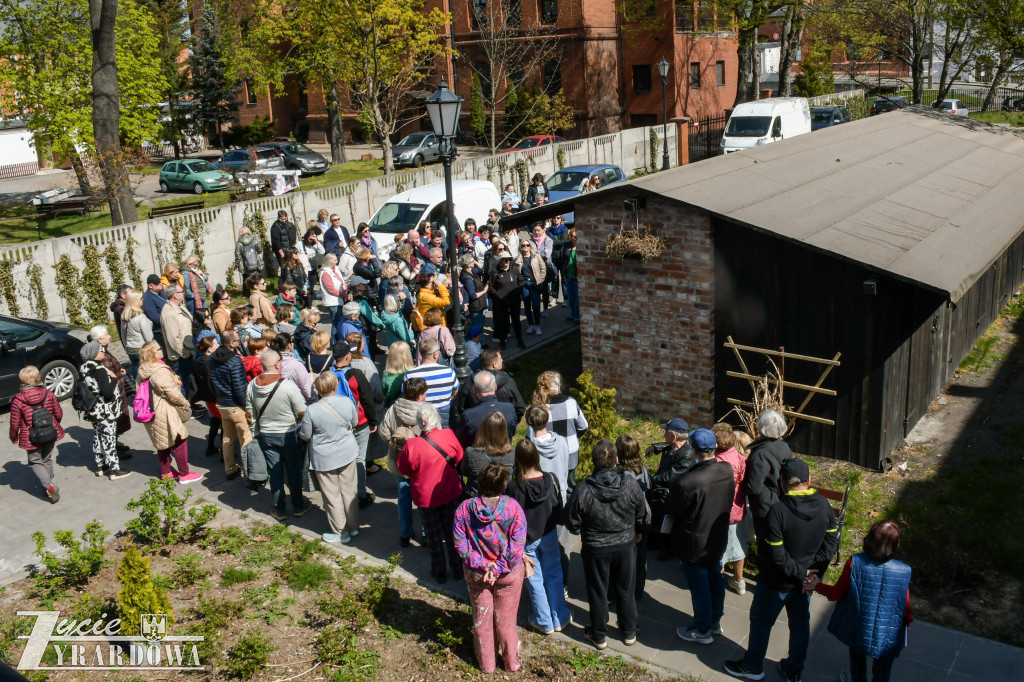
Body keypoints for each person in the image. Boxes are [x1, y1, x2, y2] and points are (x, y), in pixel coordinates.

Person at [724, 458, 839, 682]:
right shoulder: (825, 506)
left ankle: (753, 666)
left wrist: (800, 573)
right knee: (800, 625)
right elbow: (831, 543)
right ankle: (793, 670)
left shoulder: (777, 511)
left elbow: (776, 554)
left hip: (776, 582)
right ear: (809, 480)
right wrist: (813, 574)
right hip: (804, 585)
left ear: (782, 481)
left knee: (761, 622)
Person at [565, 439, 648, 650]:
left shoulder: (583, 490)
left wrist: (580, 530)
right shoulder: (630, 484)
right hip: (625, 545)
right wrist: (638, 531)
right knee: (626, 589)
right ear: (616, 460)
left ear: (593, 461)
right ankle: (629, 631)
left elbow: (572, 521)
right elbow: (642, 513)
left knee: (598, 591)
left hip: (596, 548)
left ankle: (599, 634)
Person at [806, 519, 912, 682]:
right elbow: (904, 605)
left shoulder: (855, 562)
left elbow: (837, 593)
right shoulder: (904, 571)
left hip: (858, 626)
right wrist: (906, 624)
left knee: (857, 661)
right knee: (883, 670)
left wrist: (817, 585)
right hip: (889, 632)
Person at [660, 428, 734, 644]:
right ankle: (715, 622)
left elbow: (673, 510)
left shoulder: (687, 482)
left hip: (694, 543)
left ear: (693, 449)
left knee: (700, 587)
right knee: (716, 579)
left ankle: (702, 631)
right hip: (717, 537)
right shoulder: (726, 470)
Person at [454, 462, 527, 674]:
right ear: (503, 484)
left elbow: (461, 545)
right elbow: (517, 546)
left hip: (477, 574)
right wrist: (498, 568)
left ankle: (487, 665)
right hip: (508, 573)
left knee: (482, 619)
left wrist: (484, 565)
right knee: (506, 621)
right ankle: (512, 663)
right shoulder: (513, 508)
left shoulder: (464, 509)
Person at [506, 439, 571, 635]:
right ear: (537, 456)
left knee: (533, 577)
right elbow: (558, 508)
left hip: (526, 539)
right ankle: (559, 616)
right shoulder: (550, 479)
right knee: (554, 573)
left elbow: (510, 515)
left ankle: (543, 620)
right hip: (549, 534)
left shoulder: (513, 486)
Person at [398, 405, 465, 583]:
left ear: (419, 423)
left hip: (426, 498)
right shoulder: (449, 435)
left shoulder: (411, 445)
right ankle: (458, 570)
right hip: (450, 491)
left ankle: (439, 571)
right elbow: (459, 457)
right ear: (436, 418)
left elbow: (404, 469)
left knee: (434, 536)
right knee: (453, 533)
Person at [247, 350, 310, 520]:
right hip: (288, 434)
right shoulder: (287, 386)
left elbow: (250, 413)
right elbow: (302, 411)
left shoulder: (252, 385)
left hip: (266, 434)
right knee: (293, 471)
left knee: (274, 473)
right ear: (276, 365)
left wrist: (255, 432)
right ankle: (298, 505)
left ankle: (279, 508)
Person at [299, 371, 361, 543]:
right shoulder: (347, 402)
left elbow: (305, 435)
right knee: (350, 490)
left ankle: (341, 531)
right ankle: (354, 526)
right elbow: (354, 422)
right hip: (347, 452)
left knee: (332, 495)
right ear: (335, 385)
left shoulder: (312, 410)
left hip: (324, 458)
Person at [136, 341, 202, 484]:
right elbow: (170, 391)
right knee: (179, 439)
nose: (162, 350)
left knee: (162, 442)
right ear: (153, 354)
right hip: (164, 410)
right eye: (159, 348)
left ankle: (167, 472)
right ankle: (184, 474)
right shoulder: (159, 370)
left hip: (150, 409)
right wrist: (183, 401)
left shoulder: (143, 368)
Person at [378, 378, 429, 547]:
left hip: (400, 461)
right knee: (423, 499)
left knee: (404, 497)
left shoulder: (393, 409)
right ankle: (425, 533)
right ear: (421, 394)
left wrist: (397, 444)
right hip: (422, 462)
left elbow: (383, 432)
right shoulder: (427, 411)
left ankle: (405, 534)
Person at [330, 341, 378, 508]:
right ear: (348, 356)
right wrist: (373, 421)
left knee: (341, 459)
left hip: (335, 423)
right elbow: (367, 400)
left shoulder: (327, 374)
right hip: (359, 422)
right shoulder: (356, 374)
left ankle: (342, 493)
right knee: (359, 459)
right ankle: (361, 495)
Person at [9, 365, 65, 502]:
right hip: (50, 432)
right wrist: (54, 424)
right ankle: (48, 487)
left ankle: (49, 486)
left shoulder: (18, 400)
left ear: (23, 380)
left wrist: (13, 436)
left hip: (31, 436)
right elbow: (58, 413)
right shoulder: (48, 393)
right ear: (38, 377)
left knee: (35, 461)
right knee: (47, 458)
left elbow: (14, 422)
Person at [79, 341, 131, 480]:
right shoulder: (99, 370)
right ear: (94, 354)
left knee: (97, 436)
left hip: (94, 410)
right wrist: (113, 379)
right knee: (109, 439)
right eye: (101, 351)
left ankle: (100, 466)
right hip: (106, 410)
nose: (103, 353)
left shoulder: (84, 367)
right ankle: (114, 469)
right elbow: (107, 392)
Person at [530, 371, 588, 490]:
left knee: (549, 488)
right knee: (570, 487)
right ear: (560, 386)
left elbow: (530, 437)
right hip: (569, 451)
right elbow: (583, 426)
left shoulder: (539, 407)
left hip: (544, 454)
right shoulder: (571, 402)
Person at [646, 417, 696, 557]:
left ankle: (666, 548)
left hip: (673, 495)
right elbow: (669, 445)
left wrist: (650, 480)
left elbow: (670, 478)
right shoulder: (678, 444)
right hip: (664, 492)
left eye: (666, 432)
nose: (664, 434)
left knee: (667, 521)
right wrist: (655, 447)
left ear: (673, 435)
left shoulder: (686, 455)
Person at [743, 409, 793, 541]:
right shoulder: (784, 446)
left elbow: (754, 487)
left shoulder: (761, 453)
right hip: (782, 502)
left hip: (764, 507)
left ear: (761, 427)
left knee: (765, 544)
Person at [713, 423, 750, 595]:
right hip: (738, 507)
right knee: (738, 544)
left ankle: (717, 581)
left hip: (718, 511)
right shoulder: (740, 458)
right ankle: (739, 580)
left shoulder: (715, 460)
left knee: (719, 550)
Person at [209, 329, 248, 479]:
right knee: (245, 439)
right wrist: (245, 405)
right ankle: (249, 471)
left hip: (222, 404)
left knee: (227, 438)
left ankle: (230, 469)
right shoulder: (234, 361)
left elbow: (211, 381)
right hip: (236, 406)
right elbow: (239, 388)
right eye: (238, 341)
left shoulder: (212, 359)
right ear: (232, 344)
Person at [616, 434, 651, 601]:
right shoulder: (642, 469)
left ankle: (623, 590)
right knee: (640, 557)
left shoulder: (621, 474)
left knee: (624, 558)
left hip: (628, 519)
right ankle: (638, 591)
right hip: (645, 517)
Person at [91, 324, 133, 455]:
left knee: (118, 421)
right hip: (112, 394)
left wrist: (118, 370)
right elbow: (105, 376)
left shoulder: (104, 350)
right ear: (99, 339)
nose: (110, 336)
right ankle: (112, 451)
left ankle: (114, 443)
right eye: (106, 335)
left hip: (117, 390)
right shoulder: (100, 355)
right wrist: (116, 376)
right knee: (114, 421)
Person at [453, 349, 526, 424]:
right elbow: (520, 407)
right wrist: (510, 424)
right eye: (500, 358)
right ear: (495, 364)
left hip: (479, 427)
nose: (502, 360)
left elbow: (462, 407)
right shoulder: (508, 382)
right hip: (503, 428)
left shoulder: (470, 382)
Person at [403, 337, 459, 428]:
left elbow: (406, 395)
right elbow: (455, 392)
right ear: (435, 355)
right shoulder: (449, 371)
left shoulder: (409, 374)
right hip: (445, 415)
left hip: (420, 416)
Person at [454, 371, 517, 447]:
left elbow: (461, 440)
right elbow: (512, 431)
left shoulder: (469, 416)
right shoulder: (510, 409)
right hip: (506, 453)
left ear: (475, 390)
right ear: (495, 387)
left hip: (478, 455)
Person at [461, 411, 515, 498]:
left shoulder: (470, 452)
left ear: (482, 429)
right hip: (503, 498)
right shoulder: (512, 452)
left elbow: (465, 472)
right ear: (504, 430)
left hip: (475, 497)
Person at [160, 283, 195, 395]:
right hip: (181, 357)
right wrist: (184, 353)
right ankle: (185, 410)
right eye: (181, 292)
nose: (184, 293)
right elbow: (173, 338)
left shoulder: (179, 307)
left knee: (189, 382)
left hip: (188, 352)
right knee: (183, 384)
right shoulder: (169, 313)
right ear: (175, 295)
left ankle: (191, 405)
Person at [193, 336, 222, 458]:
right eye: (216, 344)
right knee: (224, 425)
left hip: (208, 397)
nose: (219, 345)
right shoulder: (211, 363)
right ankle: (225, 454)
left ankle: (210, 446)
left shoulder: (197, 361)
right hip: (216, 398)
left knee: (215, 422)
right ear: (209, 349)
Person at [489, 253, 524, 349]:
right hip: (502, 301)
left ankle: (519, 340)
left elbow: (521, 282)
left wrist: (518, 292)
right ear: (500, 261)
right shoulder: (495, 271)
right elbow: (491, 287)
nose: (507, 261)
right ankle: (502, 341)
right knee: (503, 321)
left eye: (509, 259)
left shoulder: (514, 270)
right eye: (505, 259)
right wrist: (498, 295)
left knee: (516, 320)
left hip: (514, 300)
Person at [271, 334, 316, 404]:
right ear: (289, 345)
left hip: (274, 402)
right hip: (294, 403)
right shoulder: (296, 365)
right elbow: (307, 389)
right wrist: (314, 402)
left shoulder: (269, 362)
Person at [515, 239, 547, 336]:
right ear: (520, 247)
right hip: (524, 284)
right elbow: (516, 273)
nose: (525, 247)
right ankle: (531, 324)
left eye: (527, 245)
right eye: (523, 245)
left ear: (530, 246)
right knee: (527, 306)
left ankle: (537, 325)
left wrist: (540, 280)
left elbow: (543, 269)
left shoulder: (536, 256)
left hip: (534, 284)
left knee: (536, 305)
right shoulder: (517, 259)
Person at [120, 289, 152, 381]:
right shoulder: (140, 317)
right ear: (136, 301)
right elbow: (148, 337)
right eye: (141, 298)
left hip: (131, 349)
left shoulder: (124, 316)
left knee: (135, 369)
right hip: (141, 349)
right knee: (146, 372)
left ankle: (137, 387)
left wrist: (126, 347)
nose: (143, 300)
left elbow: (123, 334)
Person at [319, 253, 347, 339]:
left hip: (339, 299)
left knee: (338, 322)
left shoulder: (336, 269)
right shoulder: (325, 273)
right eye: (335, 260)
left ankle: (338, 342)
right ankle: (336, 344)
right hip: (333, 302)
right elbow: (330, 289)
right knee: (336, 323)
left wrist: (345, 287)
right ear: (329, 261)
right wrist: (343, 294)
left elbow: (342, 281)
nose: (337, 261)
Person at [382, 341, 414, 408]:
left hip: (393, 406)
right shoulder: (413, 373)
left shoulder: (386, 375)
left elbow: (385, 392)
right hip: (409, 406)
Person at [235, 226, 264, 296]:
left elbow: (237, 256)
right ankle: (260, 292)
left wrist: (237, 265)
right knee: (258, 278)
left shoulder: (239, 243)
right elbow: (260, 249)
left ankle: (246, 295)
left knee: (246, 280)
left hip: (245, 266)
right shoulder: (254, 240)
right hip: (256, 263)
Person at [142, 274, 166, 346]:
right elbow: (153, 316)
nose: (160, 285)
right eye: (157, 284)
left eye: (160, 282)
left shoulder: (161, 292)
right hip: (159, 330)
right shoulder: (147, 298)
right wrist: (167, 320)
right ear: (150, 286)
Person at [565, 228, 579, 322]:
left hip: (577, 277)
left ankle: (577, 317)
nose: (575, 238)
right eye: (573, 236)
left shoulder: (582, 248)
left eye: (577, 236)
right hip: (568, 276)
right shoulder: (567, 246)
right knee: (571, 298)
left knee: (578, 299)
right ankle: (573, 314)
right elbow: (563, 257)